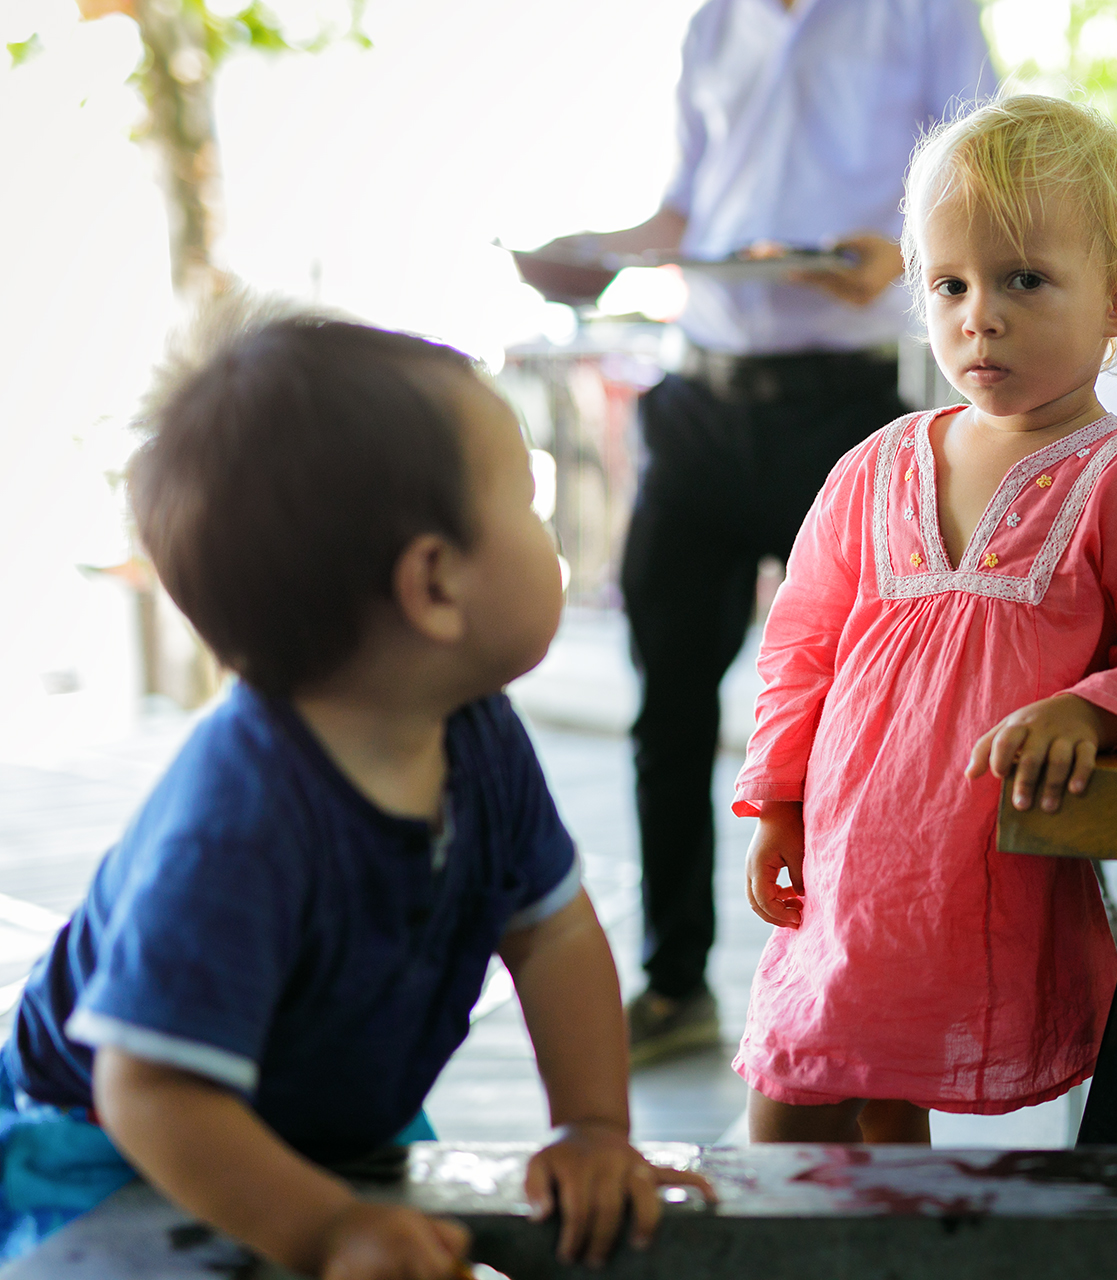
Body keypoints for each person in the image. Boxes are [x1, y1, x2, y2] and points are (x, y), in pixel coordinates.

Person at [0, 310, 711, 1276]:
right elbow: (151, 1090)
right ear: (434, 585)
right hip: (108, 1149)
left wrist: (592, 1127)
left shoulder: (474, 732)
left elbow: (553, 932)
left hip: (316, 1108)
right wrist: (326, 1227)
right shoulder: (239, 821)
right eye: (528, 505)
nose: (549, 536)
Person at [729, 96, 1117, 1141]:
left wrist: (1094, 709)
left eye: (1024, 280)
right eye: (950, 283)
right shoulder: (873, 469)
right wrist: (778, 796)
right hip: (849, 869)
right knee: (796, 1109)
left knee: (874, 1108)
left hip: (980, 871)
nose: (981, 315)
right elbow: (801, 651)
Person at [538, 0, 998, 1067]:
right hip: (697, 400)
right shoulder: (712, 24)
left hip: (844, 411)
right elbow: (685, 213)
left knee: (869, 713)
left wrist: (904, 254)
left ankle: (856, 984)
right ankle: (674, 980)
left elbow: (983, 177)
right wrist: (601, 251)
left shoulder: (922, 13)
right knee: (668, 703)